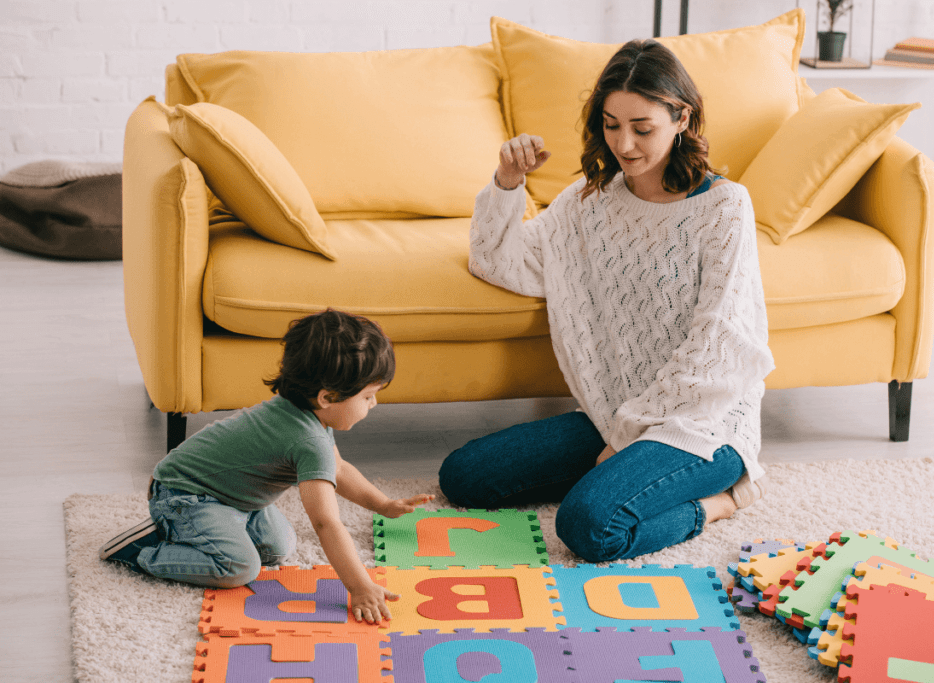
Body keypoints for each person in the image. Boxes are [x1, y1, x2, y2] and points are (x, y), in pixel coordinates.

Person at [439, 39, 775, 563]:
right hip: (612, 411)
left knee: (589, 526)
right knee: (463, 478)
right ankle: (624, 474)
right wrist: (508, 182)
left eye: (643, 128)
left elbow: (719, 344)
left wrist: (624, 441)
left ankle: (723, 501)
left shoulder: (724, 206)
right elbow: (499, 263)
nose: (625, 143)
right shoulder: (587, 201)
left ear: (681, 118)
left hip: (702, 426)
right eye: (611, 124)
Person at [100, 309, 434, 623]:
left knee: (278, 549)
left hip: (233, 497)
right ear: (327, 398)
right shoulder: (308, 439)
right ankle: (145, 550)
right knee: (239, 568)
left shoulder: (307, 413)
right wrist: (360, 586)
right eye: (367, 396)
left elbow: (340, 470)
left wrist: (382, 504)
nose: (374, 403)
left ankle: (219, 525)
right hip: (184, 494)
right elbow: (326, 523)